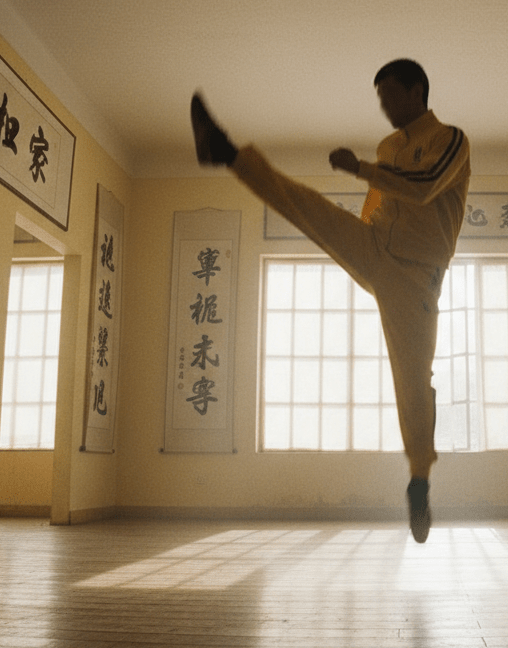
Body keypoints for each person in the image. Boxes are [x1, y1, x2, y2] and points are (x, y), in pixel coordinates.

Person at [190, 58, 470, 543]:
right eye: (378, 97)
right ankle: (228, 153)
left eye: (389, 95)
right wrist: (357, 227)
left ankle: (419, 479)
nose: (382, 106)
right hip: (376, 246)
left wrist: (360, 169)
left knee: (412, 379)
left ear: (416, 90)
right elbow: (382, 201)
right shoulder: (389, 146)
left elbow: (423, 191)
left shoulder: (451, 140)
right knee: (311, 210)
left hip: (415, 278)